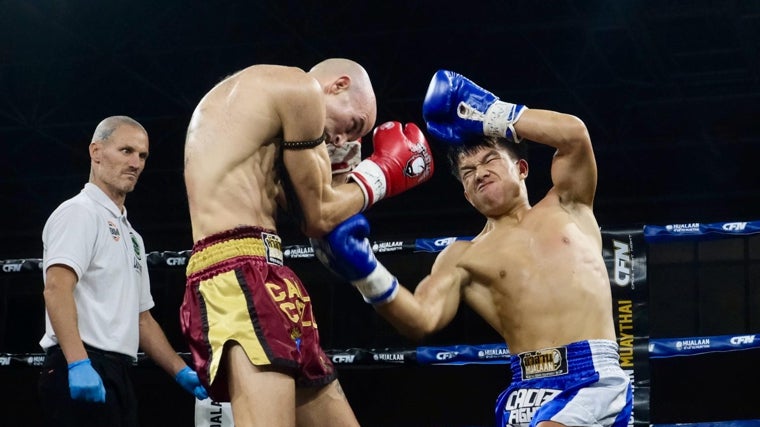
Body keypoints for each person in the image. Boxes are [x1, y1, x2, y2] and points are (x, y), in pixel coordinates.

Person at [311, 70, 633, 427]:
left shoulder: (569, 204)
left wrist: (489, 112)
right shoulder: (463, 256)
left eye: (490, 161)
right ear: (465, 194)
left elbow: (574, 136)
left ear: (522, 168)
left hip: (593, 379)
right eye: (467, 172)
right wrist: (365, 270)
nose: (478, 173)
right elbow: (421, 319)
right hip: (525, 391)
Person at [180, 58, 433, 426]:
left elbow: (312, 216)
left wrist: (342, 170)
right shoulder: (300, 89)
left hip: (266, 274)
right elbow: (319, 216)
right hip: (239, 275)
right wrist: (382, 173)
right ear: (338, 85)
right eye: (353, 124)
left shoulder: (257, 105)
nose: (343, 138)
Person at [38, 116, 208, 427]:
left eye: (142, 155)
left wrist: (179, 370)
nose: (135, 163)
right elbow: (56, 288)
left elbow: (141, 318)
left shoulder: (132, 235)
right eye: (126, 150)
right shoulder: (79, 212)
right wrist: (78, 362)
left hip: (118, 372)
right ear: (96, 151)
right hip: (79, 362)